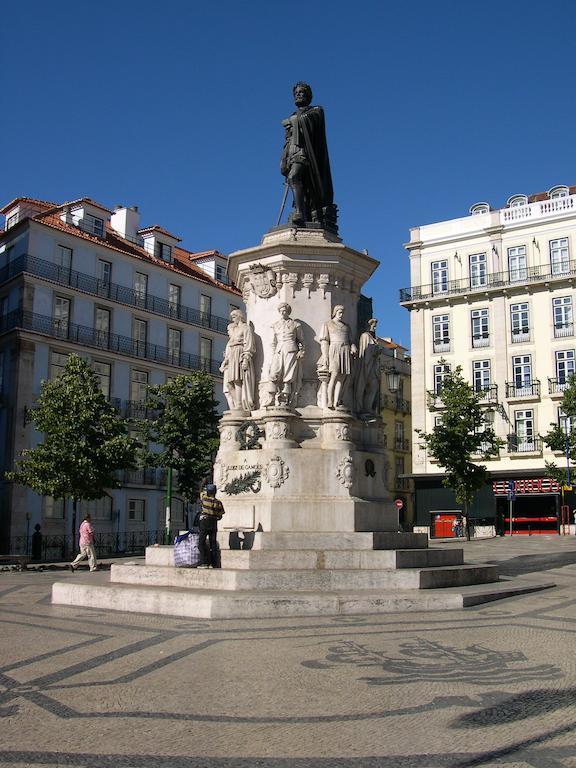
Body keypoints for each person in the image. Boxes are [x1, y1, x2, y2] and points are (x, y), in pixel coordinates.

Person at [280, 82, 336, 229]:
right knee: (299, 184)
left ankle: (299, 213)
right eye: (296, 93)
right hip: (292, 152)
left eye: (302, 92)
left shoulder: (316, 110)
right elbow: (288, 139)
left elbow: (309, 122)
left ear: (308, 95)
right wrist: (284, 158)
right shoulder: (293, 115)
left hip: (306, 153)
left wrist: (293, 121)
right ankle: (302, 211)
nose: (298, 95)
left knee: (294, 177)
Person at [319, 305, 357, 409]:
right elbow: (324, 341)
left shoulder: (346, 326)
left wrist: (353, 346)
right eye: (339, 312)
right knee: (334, 375)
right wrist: (325, 355)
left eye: (342, 313)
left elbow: (351, 341)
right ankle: (329, 401)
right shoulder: (328, 324)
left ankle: (337, 401)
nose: (341, 315)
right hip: (334, 350)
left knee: (342, 377)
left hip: (345, 350)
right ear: (335, 312)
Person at [269, 303, 305, 407]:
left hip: (291, 349)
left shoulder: (296, 325)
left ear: (288, 311)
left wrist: (301, 351)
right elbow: (273, 342)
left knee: (288, 374)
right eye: (281, 311)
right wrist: (273, 354)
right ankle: (272, 396)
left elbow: (301, 340)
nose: (282, 312)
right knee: (274, 372)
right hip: (279, 350)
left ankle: (285, 397)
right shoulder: (275, 325)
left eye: (284, 310)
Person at [220, 309, 256, 411]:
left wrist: (246, 358)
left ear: (239, 316)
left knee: (237, 380)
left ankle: (239, 405)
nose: (232, 319)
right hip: (232, 353)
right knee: (229, 383)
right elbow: (230, 343)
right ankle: (237, 404)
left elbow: (249, 344)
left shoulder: (246, 328)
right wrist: (226, 360)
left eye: (234, 317)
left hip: (240, 353)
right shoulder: (234, 329)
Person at [354, 318, 382, 416]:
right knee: (370, 386)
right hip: (367, 365)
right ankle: (365, 408)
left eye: (375, 326)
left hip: (373, 366)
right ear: (369, 325)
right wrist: (375, 350)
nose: (374, 327)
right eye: (373, 326)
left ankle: (368, 408)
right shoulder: (365, 336)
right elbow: (365, 351)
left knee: (374, 387)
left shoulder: (372, 337)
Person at [197, 484, 225, 568]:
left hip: (204, 522)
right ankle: (214, 563)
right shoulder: (218, 502)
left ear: (208, 492)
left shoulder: (205, 499)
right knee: (213, 543)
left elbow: (200, 492)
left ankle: (204, 562)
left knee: (201, 542)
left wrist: (203, 482)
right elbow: (220, 516)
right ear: (215, 492)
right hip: (213, 523)